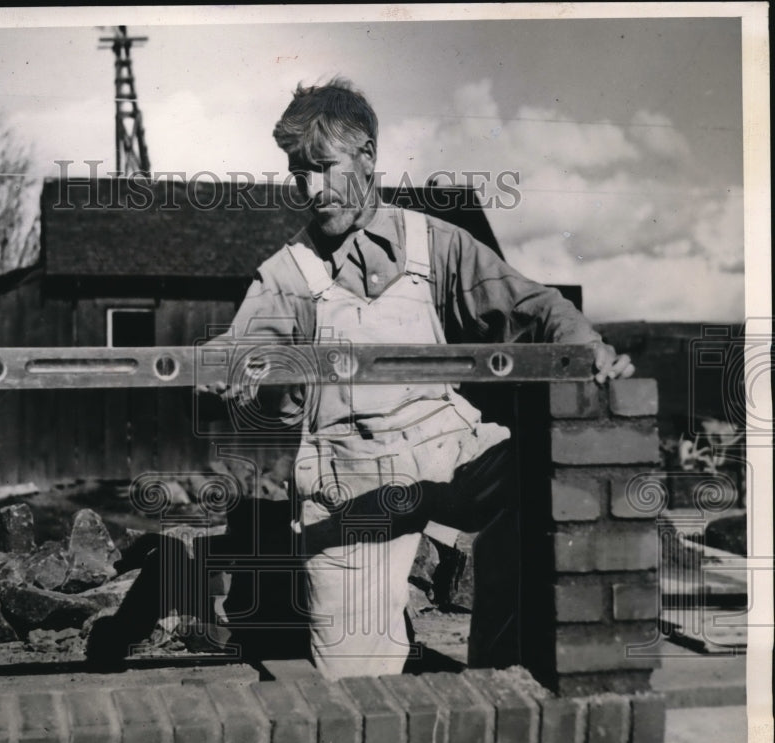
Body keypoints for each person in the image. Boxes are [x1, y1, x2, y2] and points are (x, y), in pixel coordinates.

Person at [87, 78, 634, 679]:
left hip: (453, 451)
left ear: (368, 156)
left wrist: (591, 350)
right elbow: (243, 344)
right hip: (351, 485)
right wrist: (222, 369)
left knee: (548, 485)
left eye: (325, 167)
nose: (312, 190)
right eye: (299, 174)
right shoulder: (287, 275)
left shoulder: (436, 245)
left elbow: (534, 306)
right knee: (359, 695)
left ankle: (501, 671)